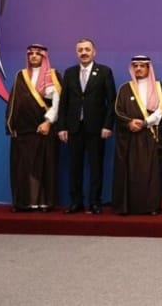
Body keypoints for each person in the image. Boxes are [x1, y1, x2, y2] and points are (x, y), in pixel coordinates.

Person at [57, 38, 116, 214]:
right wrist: (62, 127)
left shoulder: (104, 72)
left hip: (96, 128)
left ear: (94, 52)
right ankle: (76, 202)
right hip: (74, 128)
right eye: (80, 50)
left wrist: (108, 125)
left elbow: (111, 101)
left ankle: (95, 202)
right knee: (74, 167)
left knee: (96, 167)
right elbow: (64, 102)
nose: (84, 53)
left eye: (87, 49)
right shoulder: (70, 73)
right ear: (77, 53)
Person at [5, 44, 62, 213]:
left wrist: (48, 122)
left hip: (43, 129)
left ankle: (43, 203)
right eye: (31, 54)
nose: (34, 56)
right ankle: (24, 203)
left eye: (38, 54)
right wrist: (11, 126)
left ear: (44, 57)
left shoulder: (53, 75)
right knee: (23, 168)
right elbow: (13, 102)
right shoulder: (20, 75)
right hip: (23, 132)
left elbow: (58, 103)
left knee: (44, 166)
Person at [112, 55, 162, 215]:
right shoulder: (125, 88)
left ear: (148, 68)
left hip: (149, 136)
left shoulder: (158, 87)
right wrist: (129, 122)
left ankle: (150, 207)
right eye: (135, 66)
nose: (138, 69)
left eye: (142, 66)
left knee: (150, 174)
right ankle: (128, 207)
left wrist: (145, 123)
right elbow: (117, 110)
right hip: (130, 138)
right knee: (129, 173)